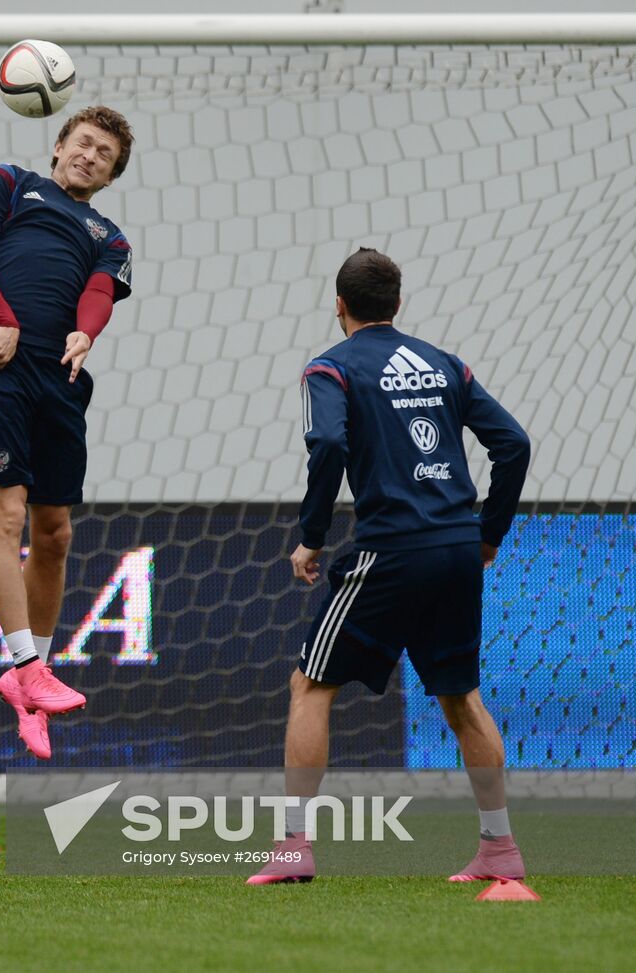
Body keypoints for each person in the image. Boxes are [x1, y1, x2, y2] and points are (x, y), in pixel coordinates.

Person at [248, 248, 531, 885]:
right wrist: (489, 534)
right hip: (457, 550)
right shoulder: (444, 364)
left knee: (310, 685)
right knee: (462, 700)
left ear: (339, 305)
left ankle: (294, 849)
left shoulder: (330, 368)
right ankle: (500, 850)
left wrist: (312, 537)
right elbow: (513, 444)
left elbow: (325, 443)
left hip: (392, 550)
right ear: (397, 305)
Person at [0, 105, 135, 760]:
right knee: (8, 515)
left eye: (104, 154)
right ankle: (24, 666)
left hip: (60, 382)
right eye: (83, 143)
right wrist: (4, 318)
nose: (90, 155)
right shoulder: (7, 181)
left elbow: (101, 292)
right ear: (58, 146)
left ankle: (34, 678)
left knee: (55, 533)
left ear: (110, 176)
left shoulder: (109, 234)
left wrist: (87, 330)